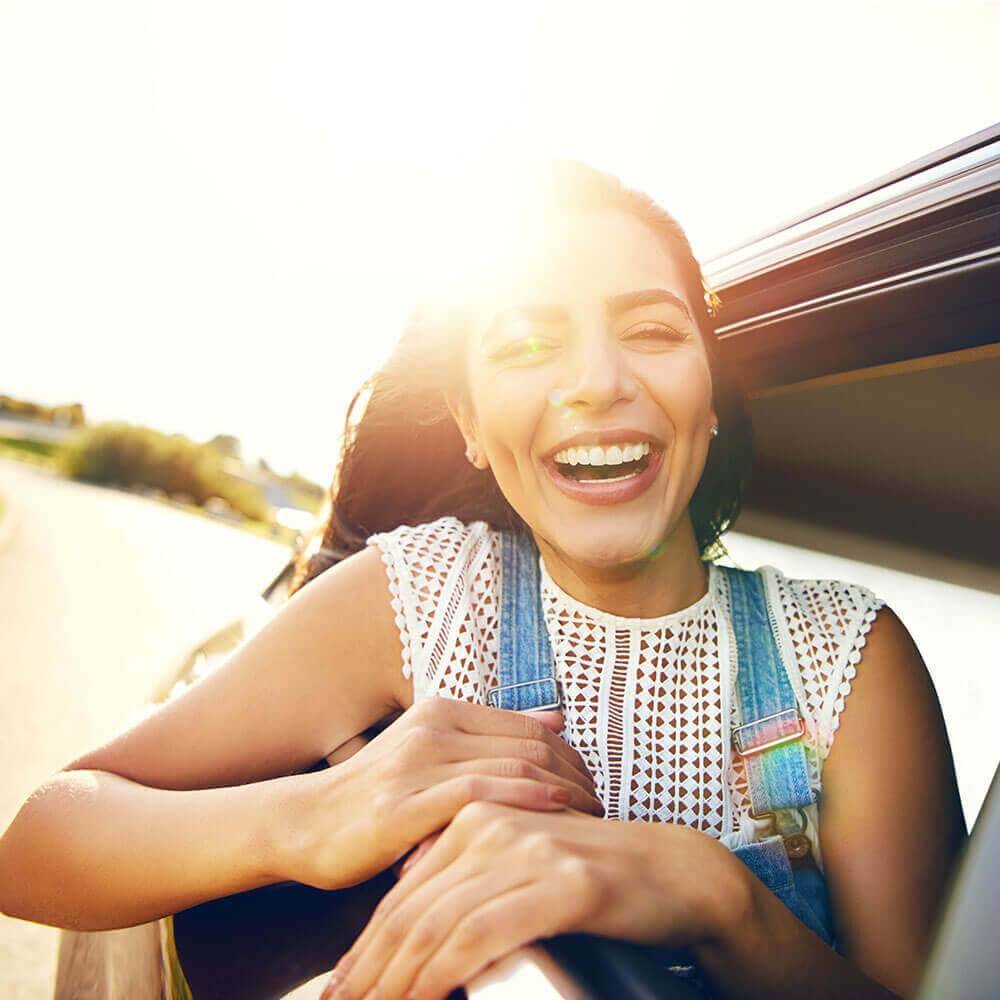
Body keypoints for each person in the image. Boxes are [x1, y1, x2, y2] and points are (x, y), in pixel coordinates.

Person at [0, 162, 966, 1000]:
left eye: (652, 330)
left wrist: (719, 899)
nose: (597, 382)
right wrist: (314, 817)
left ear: (709, 391)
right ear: (468, 420)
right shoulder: (423, 597)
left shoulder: (846, 657)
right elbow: (39, 840)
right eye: (527, 344)